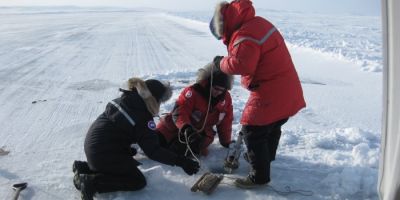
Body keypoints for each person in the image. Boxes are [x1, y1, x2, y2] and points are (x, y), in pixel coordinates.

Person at [209, 0, 306, 188]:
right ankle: (265, 157)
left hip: (271, 89)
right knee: (272, 124)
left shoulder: (244, 34)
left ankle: (259, 177)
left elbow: (243, 64)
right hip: (286, 86)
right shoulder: (256, 23)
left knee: (251, 130)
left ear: (224, 25)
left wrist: (220, 62)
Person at [72, 78, 200, 200]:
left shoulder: (127, 100)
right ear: (154, 99)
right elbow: (153, 151)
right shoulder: (143, 117)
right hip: (103, 154)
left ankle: (84, 168)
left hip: (93, 146)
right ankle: (92, 183)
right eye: (160, 101)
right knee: (137, 181)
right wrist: (181, 161)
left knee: (124, 161)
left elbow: (121, 129)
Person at [156, 62, 234, 157]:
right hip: (176, 127)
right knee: (155, 143)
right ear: (210, 84)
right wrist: (186, 128)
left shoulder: (226, 99)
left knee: (183, 153)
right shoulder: (193, 92)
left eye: (222, 90)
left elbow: (226, 120)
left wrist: (226, 141)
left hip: (201, 135)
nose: (218, 92)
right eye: (216, 88)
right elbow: (180, 111)